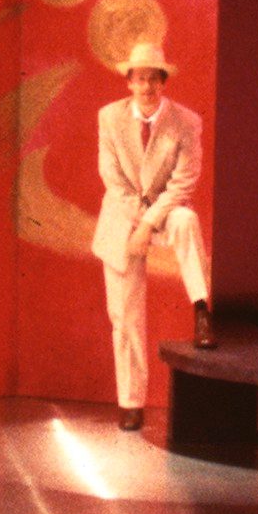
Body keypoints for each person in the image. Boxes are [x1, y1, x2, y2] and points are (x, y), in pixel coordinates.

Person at [91, 40, 214, 430]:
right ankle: (131, 403)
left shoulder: (186, 121)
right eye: (140, 79)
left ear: (163, 82)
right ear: (129, 82)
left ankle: (202, 309)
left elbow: (183, 183)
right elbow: (113, 180)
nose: (146, 87)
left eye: (153, 79)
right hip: (122, 215)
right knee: (124, 317)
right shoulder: (109, 117)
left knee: (187, 221)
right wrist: (136, 224)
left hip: (163, 209)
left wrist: (148, 224)